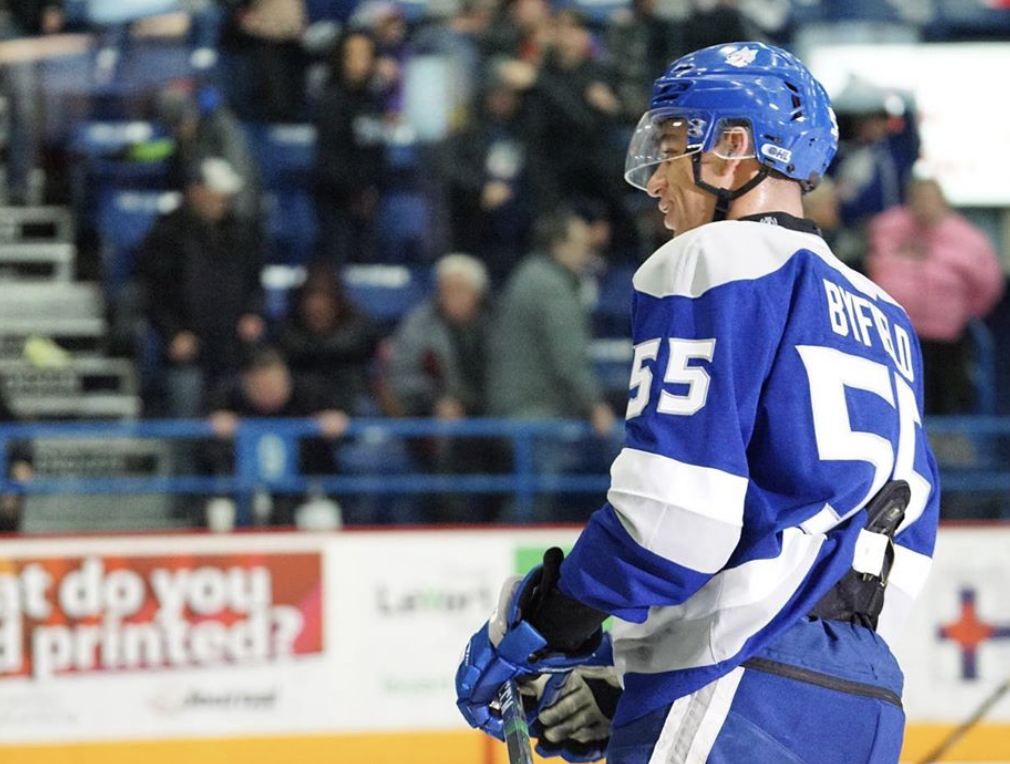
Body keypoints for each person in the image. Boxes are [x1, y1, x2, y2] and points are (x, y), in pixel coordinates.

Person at [456, 42, 940, 764]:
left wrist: (546, 625)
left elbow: (675, 521)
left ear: (734, 148)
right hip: (867, 696)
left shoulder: (710, 259)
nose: (654, 178)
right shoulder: (885, 313)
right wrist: (624, 681)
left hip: (739, 685)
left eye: (674, 143)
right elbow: (824, 548)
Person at [486, 207, 617, 521]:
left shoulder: (533, 274)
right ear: (558, 245)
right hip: (533, 410)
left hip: (521, 405)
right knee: (535, 493)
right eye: (579, 241)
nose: (587, 247)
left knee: (534, 489)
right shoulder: (551, 287)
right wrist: (594, 404)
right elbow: (568, 357)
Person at [137, 157, 265, 417]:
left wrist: (252, 313)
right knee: (186, 419)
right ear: (196, 192)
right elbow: (153, 292)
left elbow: (253, 282)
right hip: (187, 351)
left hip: (231, 348)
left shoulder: (241, 233)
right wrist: (172, 333)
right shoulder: (167, 234)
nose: (224, 202)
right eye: (218, 195)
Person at [867, 177, 1005, 415]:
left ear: (943, 202)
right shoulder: (887, 227)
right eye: (918, 198)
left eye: (929, 199)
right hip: (891, 330)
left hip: (946, 334)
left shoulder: (967, 238)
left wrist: (964, 313)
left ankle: (944, 447)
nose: (923, 205)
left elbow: (988, 283)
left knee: (945, 396)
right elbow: (871, 267)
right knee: (894, 394)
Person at [386, 253, 497, 522]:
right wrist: (436, 400)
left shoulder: (497, 323)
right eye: (445, 290)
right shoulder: (419, 325)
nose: (450, 297)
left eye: (459, 290)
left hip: (491, 415)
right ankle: (450, 523)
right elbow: (401, 377)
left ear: (477, 293)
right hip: (433, 419)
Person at [201, 347, 349, 526]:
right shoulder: (226, 397)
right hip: (241, 489)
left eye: (274, 386)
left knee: (323, 516)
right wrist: (214, 428)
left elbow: (347, 423)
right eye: (261, 387)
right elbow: (200, 444)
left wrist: (335, 424)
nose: (268, 393)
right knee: (220, 511)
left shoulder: (311, 395)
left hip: (303, 489)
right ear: (246, 383)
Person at [276, 261, 381, 416]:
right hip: (300, 404)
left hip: (350, 401)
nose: (316, 306)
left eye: (323, 298)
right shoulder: (287, 332)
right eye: (311, 298)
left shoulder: (360, 329)